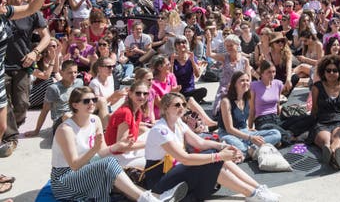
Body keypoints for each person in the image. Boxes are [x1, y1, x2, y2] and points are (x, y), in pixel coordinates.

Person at [50, 86, 188, 202]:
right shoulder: (66, 130)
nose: (92, 103)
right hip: (65, 180)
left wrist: (119, 145)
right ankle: (149, 199)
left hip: (86, 169)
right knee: (110, 164)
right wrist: (94, 150)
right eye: (86, 101)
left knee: (117, 175)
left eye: (94, 99)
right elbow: (74, 165)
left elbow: (102, 151)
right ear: (75, 105)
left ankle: (156, 198)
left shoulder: (95, 120)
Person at [144, 92, 279, 202]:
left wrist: (224, 146)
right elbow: (184, 158)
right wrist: (219, 156)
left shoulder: (179, 123)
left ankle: (258, 188)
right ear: (166, 108)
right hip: (160, 181)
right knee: (213, 161)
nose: (181, 107)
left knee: (214, 155)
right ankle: (252, 194)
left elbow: (200, 143)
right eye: (177, 105)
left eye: (183, 104)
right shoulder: (160, 130)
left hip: (175, 172)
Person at [1, 0, 52, 153]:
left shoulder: (31, 13)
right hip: (3, 67)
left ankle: (11, 128)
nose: (14, 0)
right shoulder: (4, 12)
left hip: (23, 64)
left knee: (22, 104)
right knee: (5, 105)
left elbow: (47, 37)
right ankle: (11, 137)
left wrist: (35, 52)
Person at [218, 70, 281, 157]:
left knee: (276, 134)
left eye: (247, 80)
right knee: (241, 147)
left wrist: (248, 129)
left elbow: (244, 119)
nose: (246, 83)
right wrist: (250, 138)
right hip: (228, 134)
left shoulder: (246, 99)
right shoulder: (226, 101)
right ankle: (253, 149)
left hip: (245, 131)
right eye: (242, 81)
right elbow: (229, 129)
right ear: (235, 84)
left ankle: (251, 150)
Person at [310, 55, 340, 171]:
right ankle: (333, 154)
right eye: (328, 70)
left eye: (334, 70)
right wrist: (310, 123)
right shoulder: (317, 87)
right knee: (326, 141)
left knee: (337, 138)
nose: (331, 73)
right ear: (323, 71)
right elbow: (314, 108)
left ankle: (334, 154)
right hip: (322, 121)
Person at [105, 80, 150, 168]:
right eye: (138, 93)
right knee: (155, 159)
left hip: (125, 153)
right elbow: (121, 146)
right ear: (130, 94)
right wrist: (148, 144)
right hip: (115, 158)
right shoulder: (125, 112)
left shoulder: (137, 111)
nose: (142, 96)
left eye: (145, 94)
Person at [206, 33, 251, 116]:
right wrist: (209, 41)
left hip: (239, 88)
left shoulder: (244, 61)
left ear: (237, 45)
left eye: (231, 45)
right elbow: (209, 54)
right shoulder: (224, 57)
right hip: (224, 89)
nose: (229, 48)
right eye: (227, 46)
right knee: (220, 110)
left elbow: (248, 78)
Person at [172, 35, 206, 103]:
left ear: (187, 44)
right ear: (175, 46)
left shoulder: (192, 58)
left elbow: (197, 74)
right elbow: (170, 77)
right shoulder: (172, 59)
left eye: (183, 42)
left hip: (190, 90)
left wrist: (192, 61)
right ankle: (188, 102)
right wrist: (172, 62)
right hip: (177, 91)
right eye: (178, 43)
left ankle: (186, 102)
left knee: (203, 91)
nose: (181, 44)